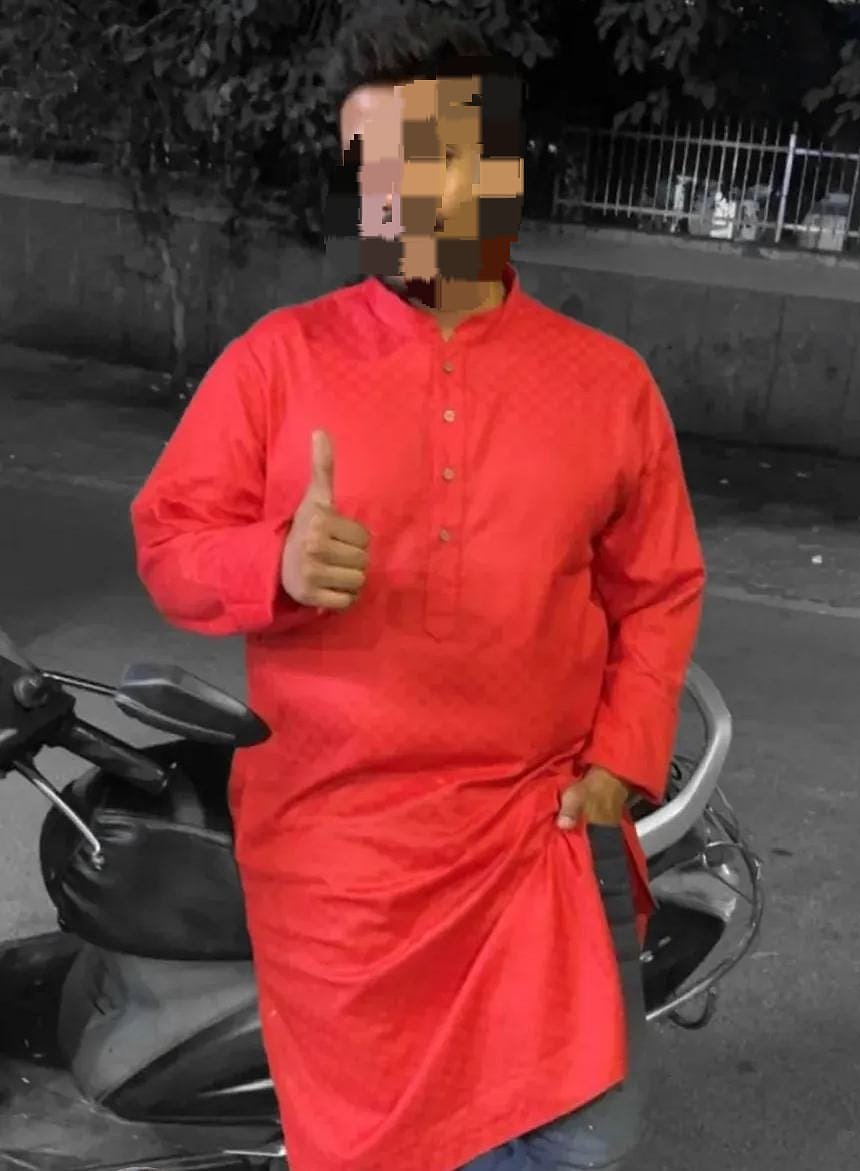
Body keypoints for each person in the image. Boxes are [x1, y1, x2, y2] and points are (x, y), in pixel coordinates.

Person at [130, 36, 705, 1171]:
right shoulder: (278, 361)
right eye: (371, 168)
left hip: (536, 838)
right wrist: (273, 567)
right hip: (340, 863)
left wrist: (618, 762)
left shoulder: (606, 384)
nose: (390, 195)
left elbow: (659, 588)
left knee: (580, 1141)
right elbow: (168, 542)